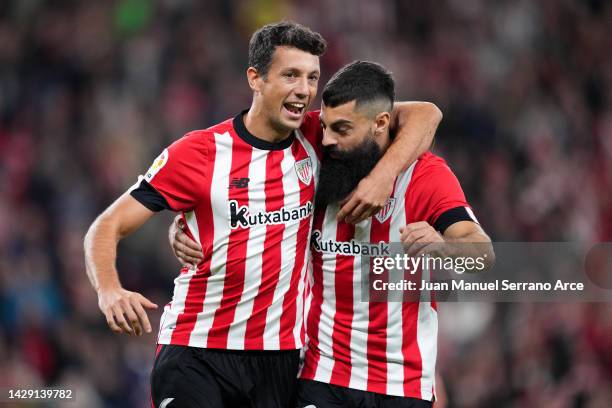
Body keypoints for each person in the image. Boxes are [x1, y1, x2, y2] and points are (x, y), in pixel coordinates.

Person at [84, 21, 441, 408]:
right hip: (196, 348)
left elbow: (426, 114)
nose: (304, 90)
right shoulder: (200, 152)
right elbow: (107, 225)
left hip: (280, 362)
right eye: (291, 75)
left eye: (311, 78)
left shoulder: (319, 137)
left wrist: (384, 177)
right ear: (255, 78)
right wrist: (109, 289)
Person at [171, 61, 494, 408]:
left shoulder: (426, 176)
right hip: (321, 376)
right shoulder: (310, 163)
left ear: (381, 124)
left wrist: (442, 246)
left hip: (402, 384)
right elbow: (234, 190)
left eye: (342, 129)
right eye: (324, 126)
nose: (327, 140)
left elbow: (483, 257)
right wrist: (185, 227)